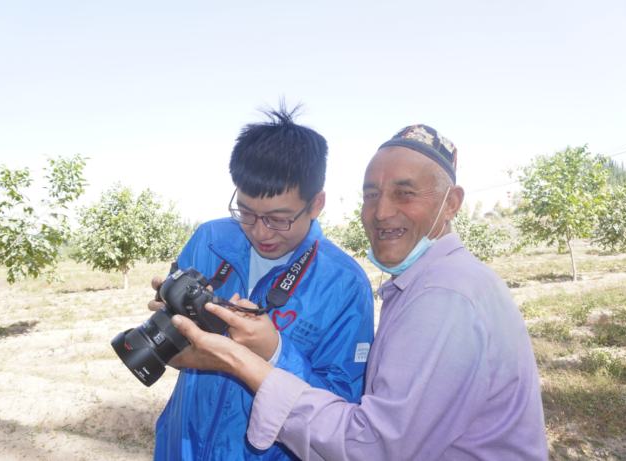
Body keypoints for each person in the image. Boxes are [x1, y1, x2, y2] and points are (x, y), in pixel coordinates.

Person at [169, 124, 550, 460]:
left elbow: (372, 446)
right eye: (371, 195)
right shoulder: (427, 283)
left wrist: (254, 357)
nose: (381, 212)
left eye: (405, 193)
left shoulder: (442, 297)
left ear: (451, 203)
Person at [150, 105, 375, 461]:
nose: (260, 232)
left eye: (278, 219)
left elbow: (341, 409)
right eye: (246, 212)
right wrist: (172, 323)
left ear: (316, 204)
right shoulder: (209, 240)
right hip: (183, 444)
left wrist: (275, 353)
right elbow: (182, 349)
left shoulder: (344, 284)